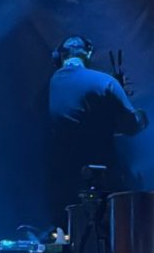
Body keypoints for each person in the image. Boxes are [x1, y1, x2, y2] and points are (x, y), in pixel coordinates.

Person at [46, 35, 147, 227]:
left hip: (62, 180)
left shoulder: (51, 84)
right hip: (103, 177)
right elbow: (131, 126)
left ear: (59, 57)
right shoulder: (105, 82)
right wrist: (141, 115)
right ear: (89, 54)